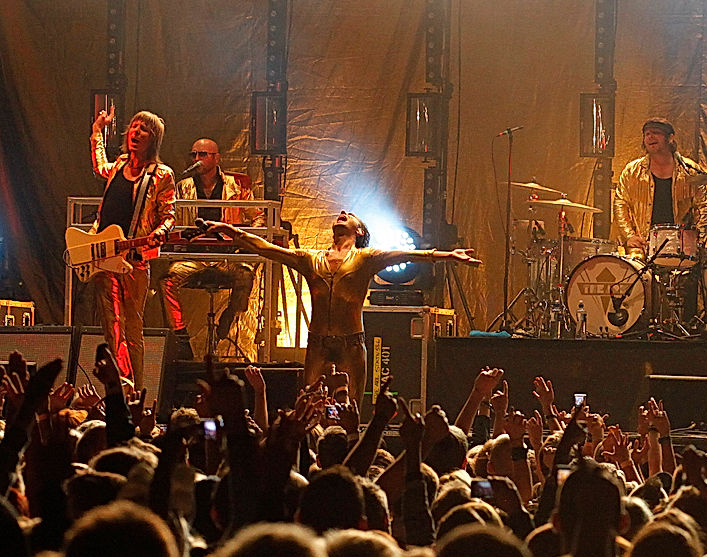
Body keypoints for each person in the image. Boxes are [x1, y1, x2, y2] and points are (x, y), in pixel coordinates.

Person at [203, 211, 479, 405]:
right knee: (308, 402)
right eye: (341, 214)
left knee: (353, 407)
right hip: (317, 343)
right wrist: (233, 232)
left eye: (349, 215)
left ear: (359, 231)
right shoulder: (310, 258)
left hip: (351, 344)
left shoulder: (367, 258)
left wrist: (448, 255)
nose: (343, 212)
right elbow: (268, 249)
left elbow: (411, 254)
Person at [89, 108, 176, 386]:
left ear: (154, 139)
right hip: (105, 255)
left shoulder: (161, 175)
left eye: (143, 129)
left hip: (134, 259)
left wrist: (160, 232)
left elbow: (169, 215)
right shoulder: (119, 165)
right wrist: (97, 133)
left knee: (132, 327)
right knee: (110, 325)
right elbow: (99, 166)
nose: (135, 132)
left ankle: (137, 390)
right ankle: (118, 386)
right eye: (134, 127)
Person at [157, 137, 263, 360]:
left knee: (246, 274)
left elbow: (258, 217)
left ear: (217, 158)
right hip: (194, 256)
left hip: (227, 257)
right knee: (168, 280)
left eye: (202, 154)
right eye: (194, 154)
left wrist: (243, 239)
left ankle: (227, 321)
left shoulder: (237, 186)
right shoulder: (182, 187)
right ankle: (181, 336)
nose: (197, 159)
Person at [612, 118, 707, 257]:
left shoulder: (689, 170)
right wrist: (629, 236)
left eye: (656, 132)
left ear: (670, 138)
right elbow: (620, 203)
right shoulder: (632, 171)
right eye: (646, 134)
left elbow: (702, 207)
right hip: (643, 244)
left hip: (680, 245)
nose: (650, 137)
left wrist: (698, 238)